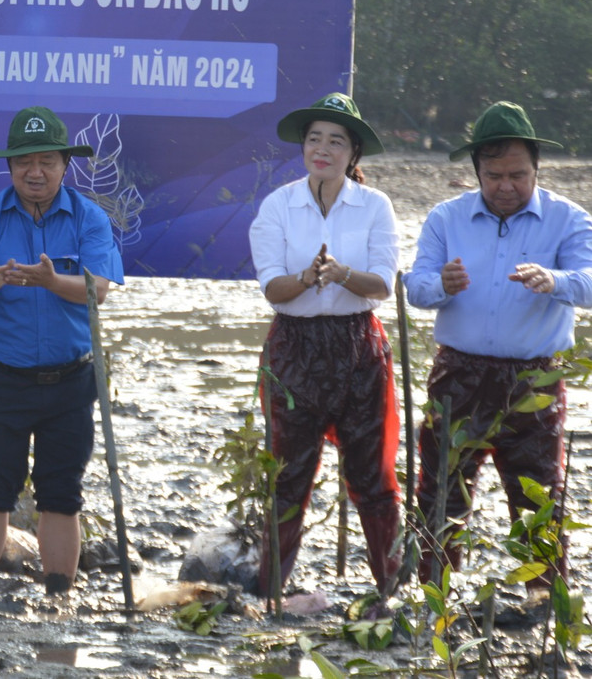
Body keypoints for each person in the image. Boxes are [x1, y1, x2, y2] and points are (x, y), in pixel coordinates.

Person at [405, 101, 592, 589]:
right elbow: (416, 287)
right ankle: (434, 595)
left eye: (518, 175)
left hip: (533, 379)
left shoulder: (567, 220)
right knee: (442, 489)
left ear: (536, 169)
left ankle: (541, 598)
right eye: (494, 176)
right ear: (477, 172)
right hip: (457, 375)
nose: (506, 186)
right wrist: (442, 284)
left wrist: (556, 280)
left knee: (537, 495)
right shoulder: (446, 219)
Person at [0, 106, 123, 597]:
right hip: (4, 378)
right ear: (9, 168)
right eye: (24, 162)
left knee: (61, 496)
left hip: (71, 380)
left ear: (66, 164)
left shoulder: (89, 217)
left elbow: (98, 289)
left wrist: (51, 281)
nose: (34, 171)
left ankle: (59, 597)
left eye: (46, 160)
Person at [248, 92, 401, 606]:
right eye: (314, 138)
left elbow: (381, 283)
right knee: (289, 475)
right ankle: (273, 592)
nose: (323, 149)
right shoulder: (278, 205)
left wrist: (342, 275)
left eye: (336, 141)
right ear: (303, 146)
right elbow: (272, 288)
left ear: (353, 154)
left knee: (373, 475)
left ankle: (391, 587)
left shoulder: (374, 206)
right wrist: (306, 277)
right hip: (295, 347)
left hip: (358, 345)